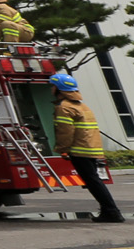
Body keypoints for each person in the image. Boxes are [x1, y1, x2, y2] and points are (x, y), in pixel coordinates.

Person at [52, 73, 125, 222]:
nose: (51, 89)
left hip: (79, 150)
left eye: (52, 86)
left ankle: (112, 212)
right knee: (94, 180)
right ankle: (109, 210)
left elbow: (65, 132)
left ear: (58, 89)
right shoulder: (83, 106)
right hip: (91, 149)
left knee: (93, 182)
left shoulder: (64, 108)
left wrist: (62, 148)